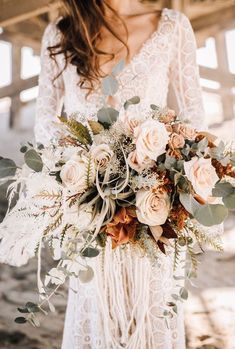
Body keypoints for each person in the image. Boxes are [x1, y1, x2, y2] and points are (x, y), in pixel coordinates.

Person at [5, 0, 206, 348]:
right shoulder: (63, 32)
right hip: (88, 217)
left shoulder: (172, 26)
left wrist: (170, 188)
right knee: (96, 314)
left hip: (154, 214)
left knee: (153, 311)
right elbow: (46, 127)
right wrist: (80, 182)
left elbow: (194, 124)